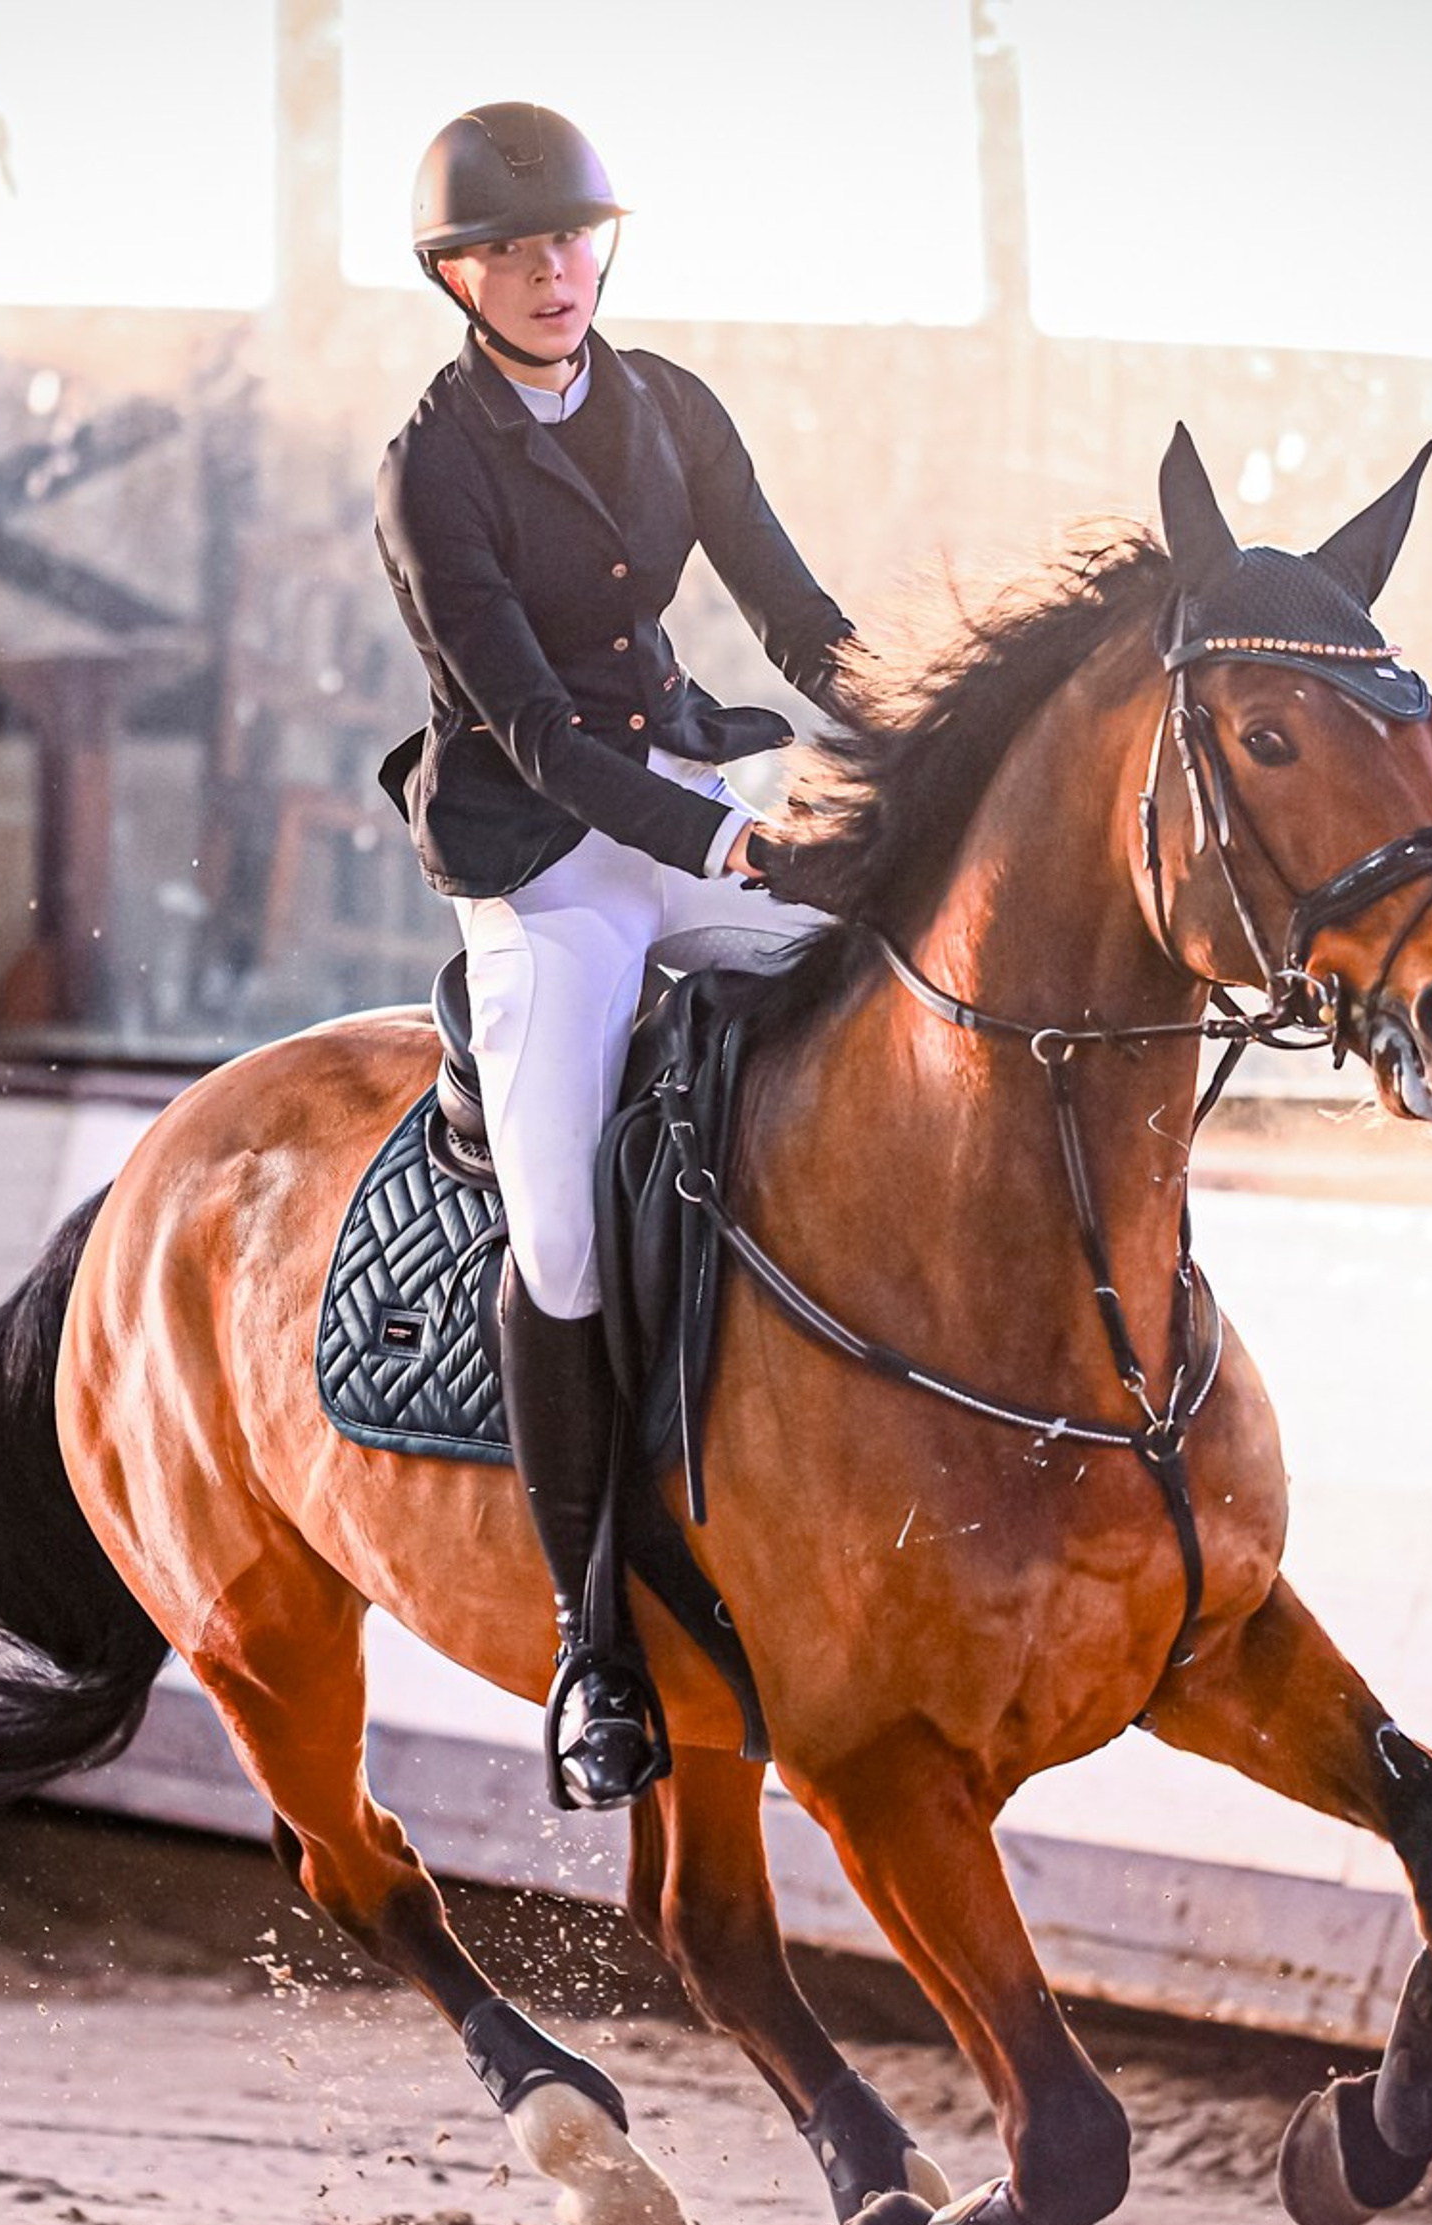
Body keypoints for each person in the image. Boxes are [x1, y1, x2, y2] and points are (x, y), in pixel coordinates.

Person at [374, 101, 859, 1812]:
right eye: (513, 250)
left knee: (888, 966)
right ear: (459, 278)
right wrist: (723, 845)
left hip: (681, 788)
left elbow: (796, 619)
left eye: (572, 239)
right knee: (563, 1233)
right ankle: (592, 1641)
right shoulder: (432, 466)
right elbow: (525, 727)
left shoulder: (672, 407)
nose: (552, 270)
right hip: (541, 856)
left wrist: (931, 727)